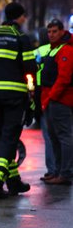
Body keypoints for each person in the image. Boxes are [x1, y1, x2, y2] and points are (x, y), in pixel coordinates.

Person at [0, 2, 36, 198]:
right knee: (9, 139)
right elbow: (30, 71)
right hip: (15, 97)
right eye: (24, 16)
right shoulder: (21, 38)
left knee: (4, 138)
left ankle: (13, 182)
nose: (24, 19)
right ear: (19, 17)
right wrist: (31, 94)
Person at [39, 19, 73, 186]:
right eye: (49, 32)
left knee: (63, 137)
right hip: (52, 99)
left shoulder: (65, 50)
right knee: (55, 137)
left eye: (54, 31)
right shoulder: (55, 49)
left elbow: (64, 78)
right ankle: (59, 172)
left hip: (60, 100)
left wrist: (52, 97)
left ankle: (64, 173)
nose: (51, 35)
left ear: (62, 31)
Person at [34, 30, 57, 181]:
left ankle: (52, 169)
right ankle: (62, 168)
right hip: (57, 93)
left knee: (48, 136)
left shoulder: (37, 51)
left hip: (41, 92)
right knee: (62, 134)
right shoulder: (59, 49)